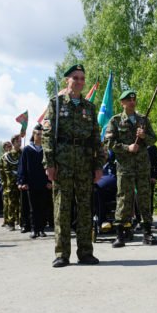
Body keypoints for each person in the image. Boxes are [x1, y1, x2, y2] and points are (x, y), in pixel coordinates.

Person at [42, 64, 103, 267]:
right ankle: (62, 253)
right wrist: (49, 163)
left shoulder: (89, 107)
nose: (79, 82)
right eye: (75, 78)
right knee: (62, 209)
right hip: (63, 163)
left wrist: (98, 165)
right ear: (67, 80)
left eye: (82, 78)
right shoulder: (56, 104)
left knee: (85, 208)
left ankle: (86, 252)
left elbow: (96, 138)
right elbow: (48, 136)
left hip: (85, 163)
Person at [105, 89, 157, 247]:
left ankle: (147, 233)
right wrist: (126, 148)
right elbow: (109, 142)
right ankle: (120, 234)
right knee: (124, 199)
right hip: (125, 167)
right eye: (128, 100)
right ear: (122, 103)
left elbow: (153, 140)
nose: (132, 102)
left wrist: (144, 136)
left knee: (144, 199)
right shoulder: (115, 121)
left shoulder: (143, 120)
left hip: (142, 166)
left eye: (134, 99)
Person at [18, 124, 49, 238]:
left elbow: (49, 166)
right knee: (32, 208)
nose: (40, 136)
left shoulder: (46, 150)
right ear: (33, 134)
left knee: (43, 207)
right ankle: (33, 229)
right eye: (38, 134)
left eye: (42, 134)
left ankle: (41, 229)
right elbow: (22, 167)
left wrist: (49, 181)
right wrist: (22, 181)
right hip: (31, 183)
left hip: (43, 182)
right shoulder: (27, 150)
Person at [1, 135, 22, 231]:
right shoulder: (8, 155)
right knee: (12, 203)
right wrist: (14, 180)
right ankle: (11, 223)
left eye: (20, 141)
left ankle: (21, 222)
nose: (20, 143)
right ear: (13, 142)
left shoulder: (23, 153)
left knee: (22, 203)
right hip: (12, 183)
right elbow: (6, 171)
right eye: (18, 141)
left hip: (22, 182)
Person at [0, 141, 12, 226]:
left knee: (14, 203)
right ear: (4, 148)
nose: (9, 148)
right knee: (6, 203)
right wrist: (2, 183)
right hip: (5, 184)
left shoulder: (14, 156)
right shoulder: (2, 158)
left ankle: (14, 220)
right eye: (7, 147)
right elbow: (0, 171)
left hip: (13, 183)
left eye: (10, 146)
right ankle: (5, 220)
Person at [147, 145, 157, 219]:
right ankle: (138, 218)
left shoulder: (152, 147)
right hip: (134, 175)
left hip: (149, 176)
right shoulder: (133, 144)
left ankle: (149, 217)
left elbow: (156, 162)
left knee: (149, 197)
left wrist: (155, 176)